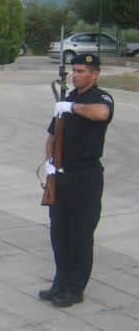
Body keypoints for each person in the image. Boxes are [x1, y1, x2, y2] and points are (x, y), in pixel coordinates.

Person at [40, 53, 114, 307]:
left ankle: (75, 288)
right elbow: (53, 132)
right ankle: (60, 281)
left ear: (95, 74)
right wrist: (49, 156)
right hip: (61, 176)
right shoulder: (68, 97)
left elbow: (101, 114)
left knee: (80, 235)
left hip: (85, 177)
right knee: (59, 233)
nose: (76, 75)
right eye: (75, 70)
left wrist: (72, 108)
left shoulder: (99, 97)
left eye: (82, 71)